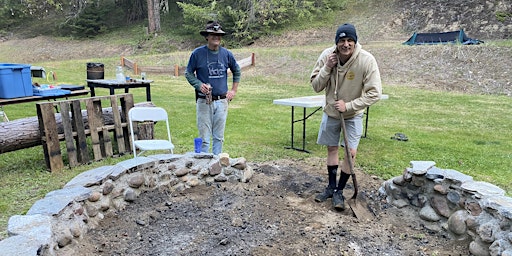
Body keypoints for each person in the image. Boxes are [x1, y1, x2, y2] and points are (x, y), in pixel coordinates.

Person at [310, 23, 382, 210]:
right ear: (336, 43)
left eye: (350, 40)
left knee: (350, 153)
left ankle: (340, 191)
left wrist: (349, 106)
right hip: (331, 112)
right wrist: (327, 67)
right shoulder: (327, 56)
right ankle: (331, 188)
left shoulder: (366, 60)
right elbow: (316, 85)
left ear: (355, 42)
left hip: (353, 114)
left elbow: (374, 93)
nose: (346, 44)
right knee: (332, 149)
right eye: (342, 40)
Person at [185, 21, 241, 155]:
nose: (216, 37)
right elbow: (188, 73)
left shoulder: (227, 54)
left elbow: (237, 71)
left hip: (222, 101)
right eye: (213, 35)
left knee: (219, 137)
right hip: (204, 101)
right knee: (204, 138)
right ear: (207, 36)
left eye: (218, 35)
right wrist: (198, 85)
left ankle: (217, 165)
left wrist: (233, 90)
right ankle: (203, 166)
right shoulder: (197, 54)